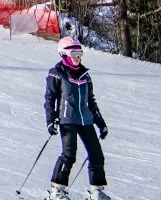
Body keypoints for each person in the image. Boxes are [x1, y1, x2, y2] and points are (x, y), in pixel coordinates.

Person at [44, 37, 110, 200]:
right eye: (74, 52)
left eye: (79, 52)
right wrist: (50, 120)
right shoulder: (56, 73)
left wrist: (100, 122)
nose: (77, 56)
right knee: (69, 155)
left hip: (85, 119)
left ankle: (96, 191)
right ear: (64, 54)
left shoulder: (85, 75)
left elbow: (91, 101)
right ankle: (57, 190)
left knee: (97, 155)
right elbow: (50, 98)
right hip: (67, 119)